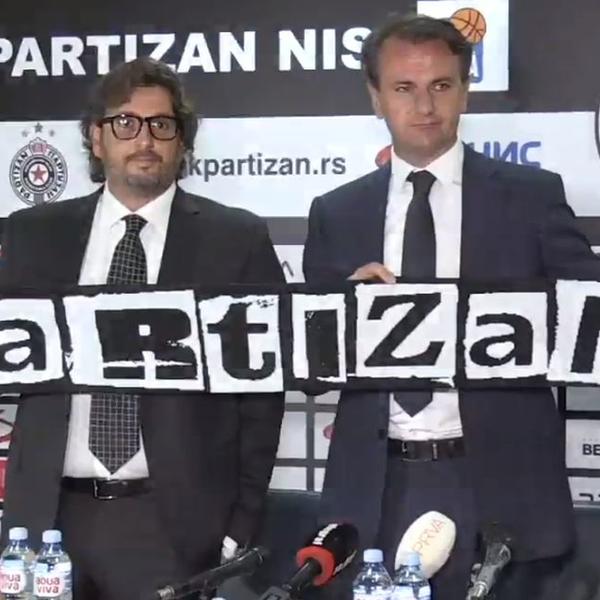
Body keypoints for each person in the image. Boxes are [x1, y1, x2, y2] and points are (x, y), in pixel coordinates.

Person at [303, 14, 600, 600]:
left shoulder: (532, 197)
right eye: (404, 88)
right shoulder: (336, 212)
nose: (424, 106)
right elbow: (311, 371)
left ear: (465, 91)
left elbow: (589, 322)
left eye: (441, 85)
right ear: (375, 97)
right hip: (375, 487)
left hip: (503, 485)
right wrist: (342, 313)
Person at [1, 57, 285, 600]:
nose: (145, 139)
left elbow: (262, 395)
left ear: (183, 141)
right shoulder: (33, 235)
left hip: (175, 525)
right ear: (96, 137)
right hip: (47, 522)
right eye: (126, 123)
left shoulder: (235, 240)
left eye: (162, 125)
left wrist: (241, 519)